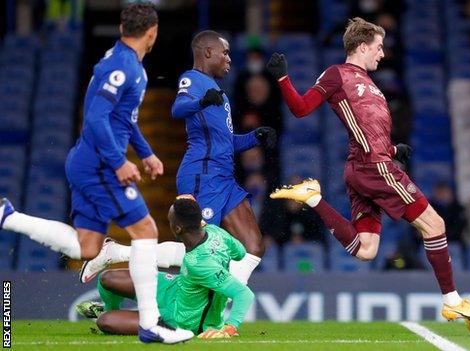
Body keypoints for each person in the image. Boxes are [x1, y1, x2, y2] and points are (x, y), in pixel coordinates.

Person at [266, 17, 470, 320]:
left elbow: (367, 132)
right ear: (361, 46)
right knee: (435, 225)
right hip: (373, 168)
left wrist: (394, 149)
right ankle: (452, 300)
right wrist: (283, 80)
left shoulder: (371, 84)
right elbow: (301, 108)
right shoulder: (337, 74)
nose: (382, 53)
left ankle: (313, 198)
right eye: (378, 47)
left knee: (366, 249)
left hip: (365, 165)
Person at [0, 3, 193, 344]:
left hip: (87, 161)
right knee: (146, 230)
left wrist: (146, 154)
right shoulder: (124, 67)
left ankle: (8, 217)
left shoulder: (122, 62)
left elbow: (123, 120)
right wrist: (119, 162)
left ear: (122, 27)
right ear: (153, 32)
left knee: (86, 247)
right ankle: (150, 323)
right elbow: (96, 118)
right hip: (101, 165)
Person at [170, 30, 276, 285]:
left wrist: (255, 137)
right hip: (202, 175)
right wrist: (201, 103)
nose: (229, 58)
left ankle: (223, 301)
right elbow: (177, 108)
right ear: (208, 52)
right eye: (225, 53)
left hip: (225, 179)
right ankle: (122, 255)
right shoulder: (192, 79)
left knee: (253, 247)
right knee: (201, 252)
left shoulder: (219, 93)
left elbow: (225, 143)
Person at [76, 196, 254, 339]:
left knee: (105, 322)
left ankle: (113, 315)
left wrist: (229, 328)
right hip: (175, 289)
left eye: (170, 219)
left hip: (183, 320)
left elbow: (244, 294)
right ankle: (108, 308)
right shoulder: (216, 232)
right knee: (107, 278)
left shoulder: (199, 263)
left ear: (177, 228)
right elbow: (240, 253)